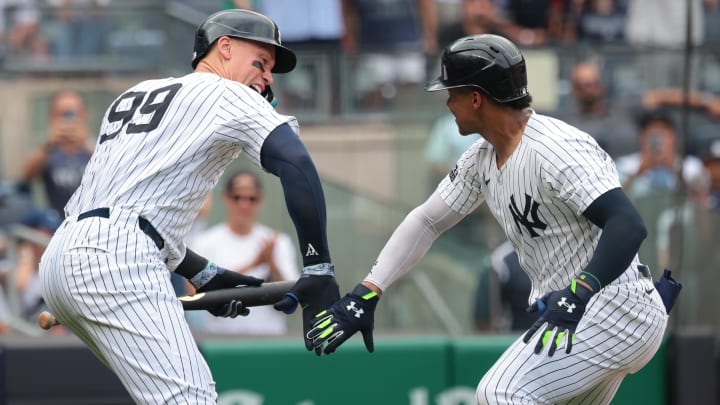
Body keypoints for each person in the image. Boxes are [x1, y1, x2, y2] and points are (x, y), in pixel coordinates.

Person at [307, 34, 668, 404]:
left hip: (612, 309)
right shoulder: (481, 158)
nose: (448, 103)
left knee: (499, 393)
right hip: (583, 315)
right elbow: (428, 221)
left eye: (452, 93)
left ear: (476, 98)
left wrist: (581, 291)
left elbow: (627, 223)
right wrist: (368, 291)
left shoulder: (557, 148)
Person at [38, 9, 340, 404]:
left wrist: (206, 272)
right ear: (225, 47)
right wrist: (319, 266)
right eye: (262, 62)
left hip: (63, 257)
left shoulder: (137, 93)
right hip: (113, 259)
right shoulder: (226, 93)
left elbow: (132, 208)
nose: (268, 78)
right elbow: (296, 163)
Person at [191, 170, 300, 335]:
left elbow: (295, 299)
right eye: (237, 197)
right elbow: (195, 294)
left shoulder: (278, 242)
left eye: (251, 198)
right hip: (220, 341)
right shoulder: (204, 242)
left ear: (260, 200)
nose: (244, 204)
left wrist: (272, 266)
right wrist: (254, 264)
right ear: (226, 198)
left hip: (270, 338)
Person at [20, 90, 94, 218]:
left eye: (73, 114)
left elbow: (115, 170)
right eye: (63, 114)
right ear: (51, 117)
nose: (69, 120)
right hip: (56, 222)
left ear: (85, 115)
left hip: (93, 220)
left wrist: (86, 143)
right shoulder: (46, 150)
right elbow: (26, 176)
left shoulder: (97, 146)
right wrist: (49, 144)